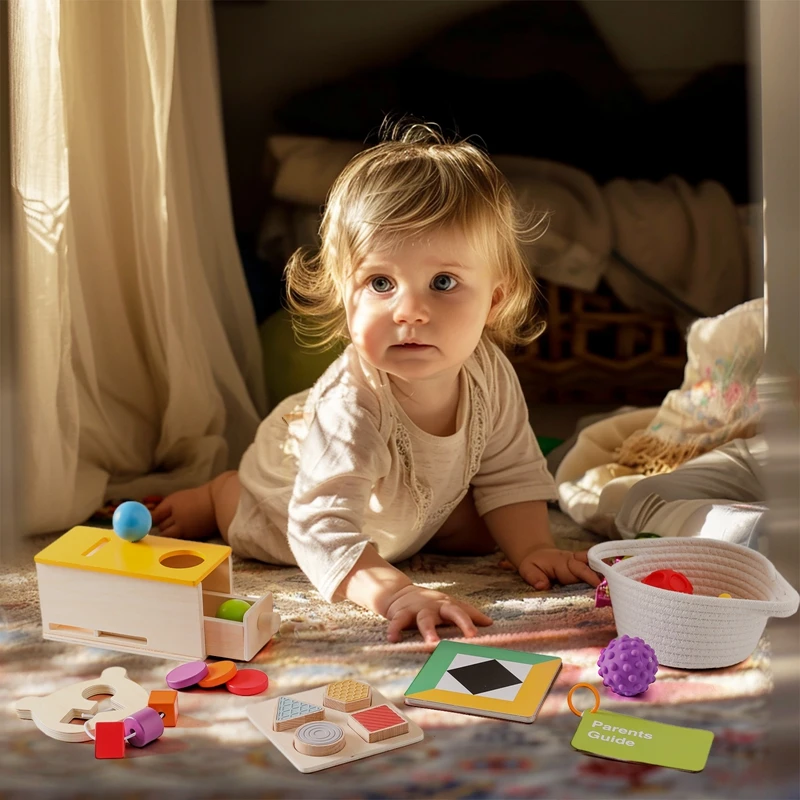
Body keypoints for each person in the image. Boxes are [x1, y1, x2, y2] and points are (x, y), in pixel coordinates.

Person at [153, 120, 601, 644]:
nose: (410, 312)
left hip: (403, 504)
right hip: (291, 501)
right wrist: (396, 593)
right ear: (346, 297)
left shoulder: (490, 373)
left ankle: (423, 528)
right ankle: (217, 492)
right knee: (255, 526)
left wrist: (534, 549)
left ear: (494, 301)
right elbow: (321, 530)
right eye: (381, 283)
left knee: (490, 527)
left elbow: (512, 470)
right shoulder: (350, 407)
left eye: (443, 282)